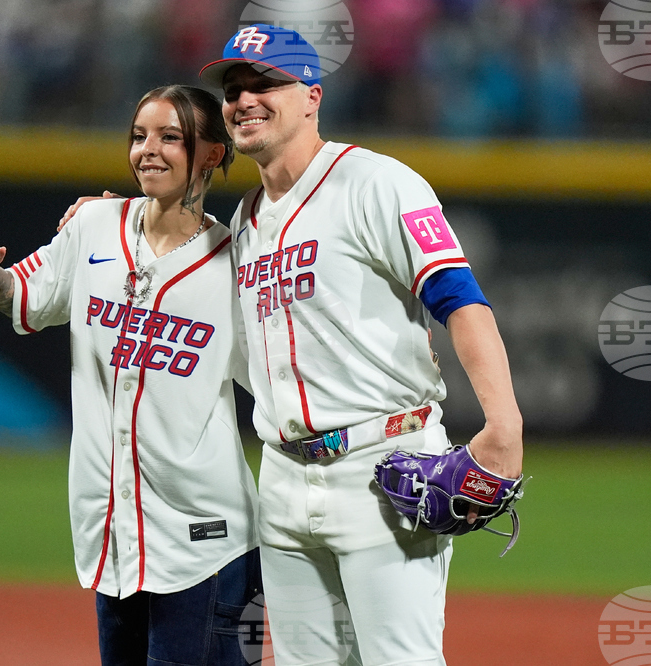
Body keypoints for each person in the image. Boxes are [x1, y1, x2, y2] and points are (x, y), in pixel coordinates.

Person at [197, 25, 524, 665]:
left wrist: (504, 424)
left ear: (312, 96)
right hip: (283, 477)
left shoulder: (375, 182)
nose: (244, 100)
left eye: (265, 83)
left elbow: (461, 300)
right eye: (234, 89)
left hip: (384, 469)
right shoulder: (244, 220)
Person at [0, 85, 261, 666]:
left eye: (171, 137)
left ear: (212, 154)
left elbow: (281, 370)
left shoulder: (239, 263)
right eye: (139, 136)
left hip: (207, 544)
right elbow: (26, 295)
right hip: (114, 534)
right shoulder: (93, 225)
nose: (149, 149)